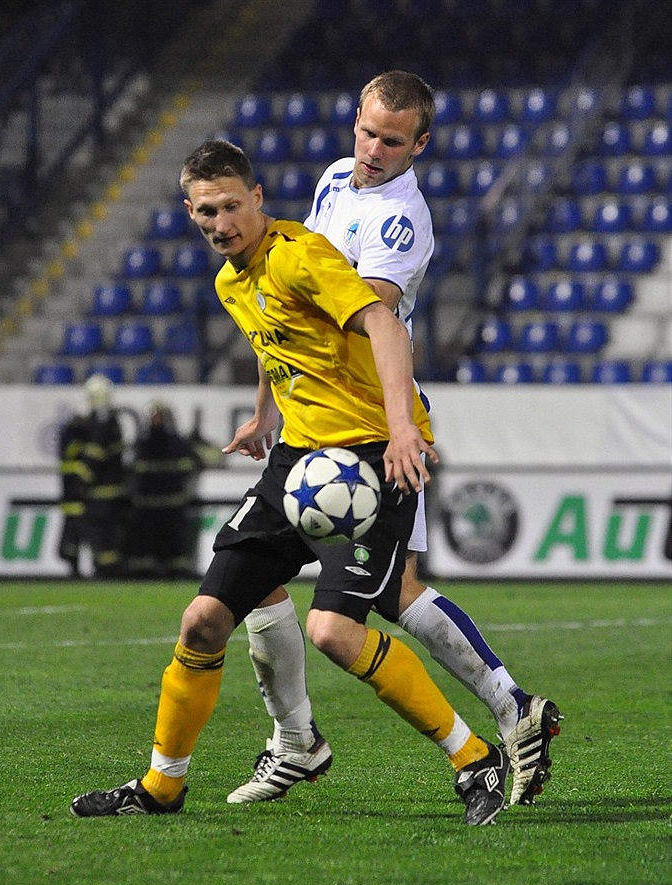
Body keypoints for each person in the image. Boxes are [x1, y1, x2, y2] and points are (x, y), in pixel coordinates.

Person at [70, 139, 509, 826]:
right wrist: (260, 416)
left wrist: (400, 429)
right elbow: (280, 350)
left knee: (334, 630)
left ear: (258, 199)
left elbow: (385, 325)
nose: (222, 222)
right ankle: (162, 784)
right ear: (191, 213)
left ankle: (474, 757)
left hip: (370, 456)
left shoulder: (300, 255)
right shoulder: (229, 283)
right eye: (207, 211)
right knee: (204, 618)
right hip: (300, 461)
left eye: (233, 206)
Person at [227, 71, 561, 810]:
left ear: (422, 144)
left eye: (393, 140)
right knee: (393, 591)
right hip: (318, 419)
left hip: (371, 428)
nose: (374, 150)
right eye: (368, 131)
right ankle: (512, 709)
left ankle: (331, 743)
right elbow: (284, 314)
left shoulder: (401, 223)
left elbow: (354, 319)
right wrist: (266, 410)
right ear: (355, 120)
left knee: (337, 616)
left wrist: (400, 426)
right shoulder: (332, 182)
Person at [128, 402, 199, 579]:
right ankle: (145, 573)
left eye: (159, 416)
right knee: (146, 542)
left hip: (172, 504)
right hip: (147, 505)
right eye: (153, 417)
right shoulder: (142, 443)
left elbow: (190, 465)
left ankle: (176, 572)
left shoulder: (177, 443)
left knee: (174, 542)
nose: (156, 420)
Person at [81, 373, 128, 577]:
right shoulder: (114, 423)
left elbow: (94, 458)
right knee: (111, 538)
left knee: (101, 539)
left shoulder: (101, 426)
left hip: (99, 496)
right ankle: (110, 570)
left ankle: (104, 572)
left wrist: (80, 481)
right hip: (114, 492)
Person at [57, 411, 90, 577]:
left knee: (73, 539)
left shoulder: (67, 443)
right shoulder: (76, 446)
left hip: (73, 500)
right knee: (73, 538)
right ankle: (73, 566)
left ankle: (74, 565)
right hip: (77, 500)